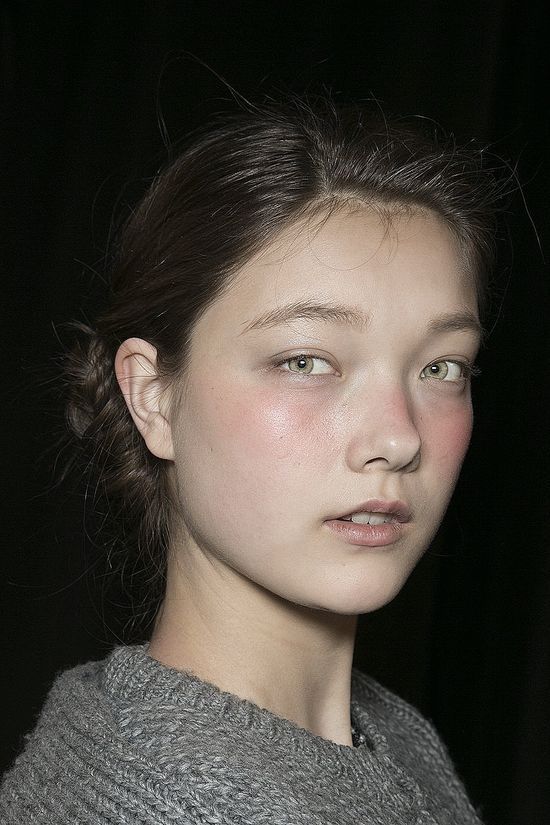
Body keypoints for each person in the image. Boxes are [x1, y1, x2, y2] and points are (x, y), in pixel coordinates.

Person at [0, 93, 507, 824]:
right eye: (305, 360)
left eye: (441, 369)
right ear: (153, 396)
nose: (398, 438)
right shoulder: (153, 801)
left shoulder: (396, 740)